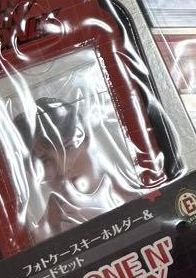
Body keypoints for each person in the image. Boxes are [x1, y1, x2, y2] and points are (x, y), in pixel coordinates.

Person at [13, 97, 144, 243]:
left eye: (69, 148)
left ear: (89, 142)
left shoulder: (142, 193)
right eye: (45, 160)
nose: (63, 169)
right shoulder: (40, 238)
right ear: (32, 170)